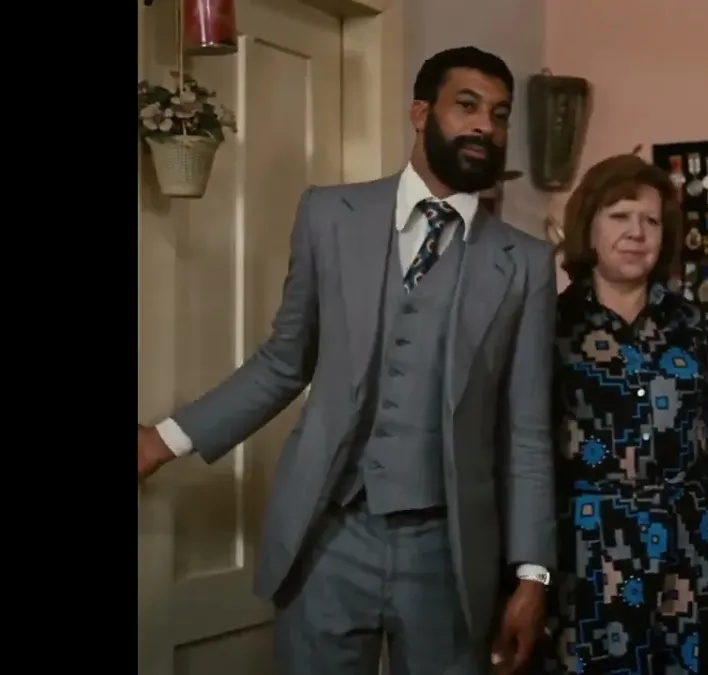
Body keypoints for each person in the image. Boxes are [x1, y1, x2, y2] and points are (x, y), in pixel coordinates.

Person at [136, 46, 557, 675]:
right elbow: (283, 363)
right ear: (421, 113)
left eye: (499, 115)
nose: (484, 127)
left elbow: (526, 431)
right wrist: (164, 440)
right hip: (329, 536)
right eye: (467, 106)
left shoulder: (525, 262)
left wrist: (532, 574)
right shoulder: (329, 215)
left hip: (447, 552)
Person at [545, 154, 708, 674]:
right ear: (589, 226)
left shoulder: (700, 329)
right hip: (583, 563)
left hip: (689, 563)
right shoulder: (548, 327)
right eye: (620, 216)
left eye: (651, 220)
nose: (636, 232)